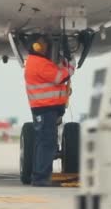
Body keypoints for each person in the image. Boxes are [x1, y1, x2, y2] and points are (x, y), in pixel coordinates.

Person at [24, 35, 75, 187]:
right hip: (46, 109)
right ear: (37, 47)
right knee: (47, 144)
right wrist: (71, 65)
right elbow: (60, 77)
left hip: (44, 109)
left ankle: (38, 176)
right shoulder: (39, 63)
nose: (47, 47)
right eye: (44, 44)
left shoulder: (37, 62)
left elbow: (54, 75)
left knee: (43, 143)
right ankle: (40, 178)